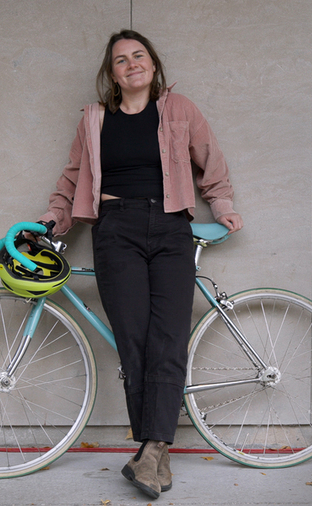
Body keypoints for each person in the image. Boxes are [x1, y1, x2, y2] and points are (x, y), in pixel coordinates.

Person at [36, 29, 242, 499]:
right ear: (111, 73)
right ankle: (156, 454)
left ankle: (152, 451)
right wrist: (54, 215)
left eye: (139, 55)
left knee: (169, 339)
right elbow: (71, 177)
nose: (132, 64)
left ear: (152, 64)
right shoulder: (94, 120)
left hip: (171, 227)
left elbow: (210, 158)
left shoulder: (179, 108)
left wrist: (222, 202)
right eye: (121, 60)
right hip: (115, 229)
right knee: (134, 341)